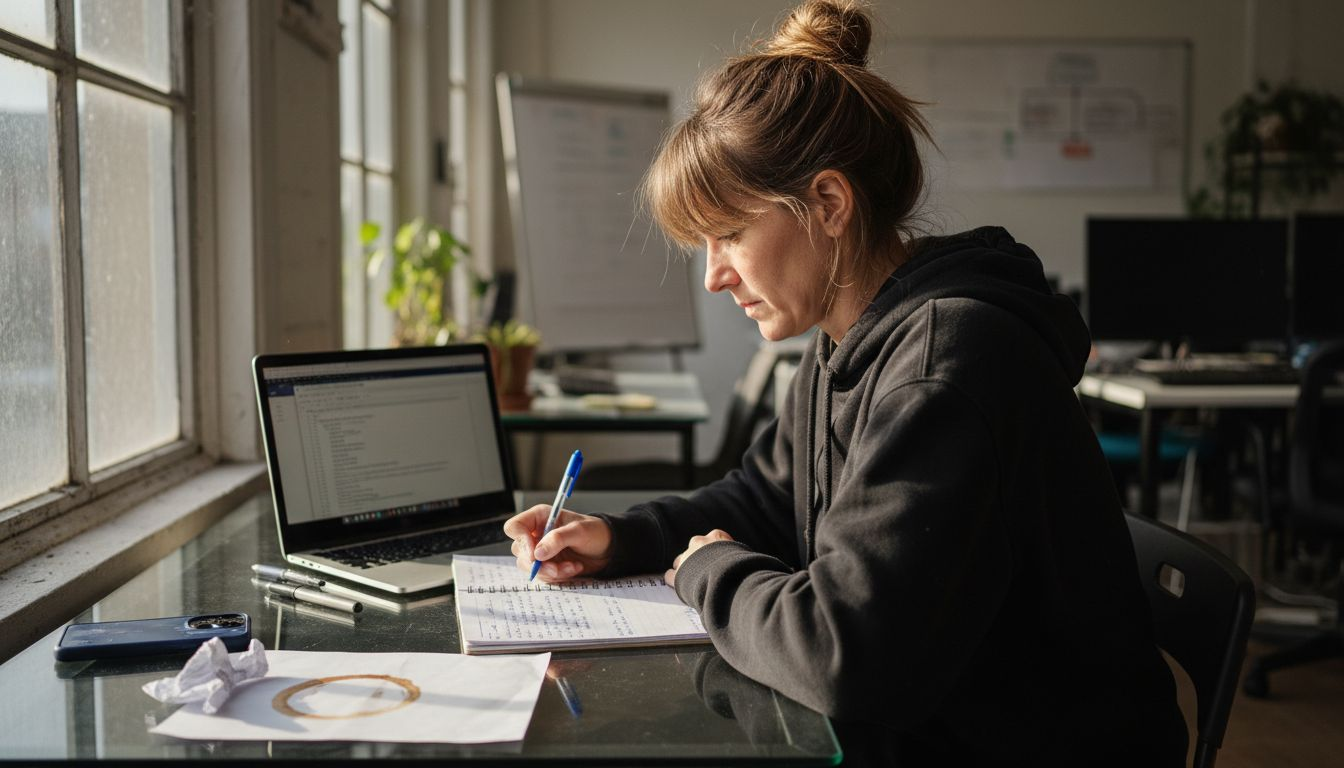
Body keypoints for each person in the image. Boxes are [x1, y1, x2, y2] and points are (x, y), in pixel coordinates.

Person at [504, 1, 1188, 763]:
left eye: (730, 234)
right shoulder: (846, 344)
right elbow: (763, 497)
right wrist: (622, 538)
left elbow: (845, 654)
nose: (714, 277)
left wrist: (708, 569)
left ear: (828, 203)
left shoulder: (948, 365)